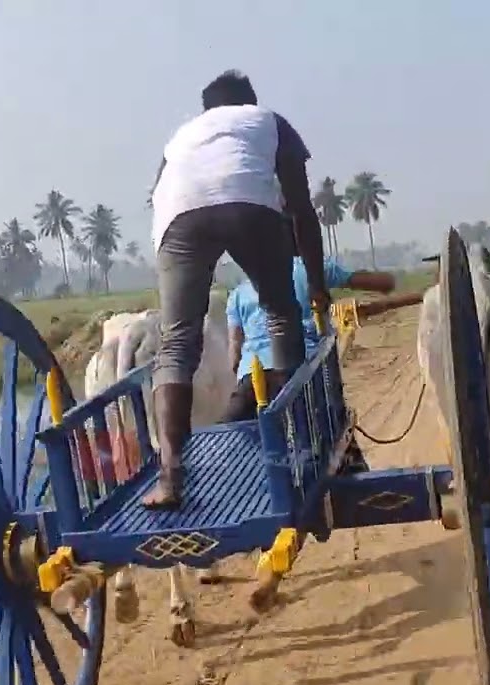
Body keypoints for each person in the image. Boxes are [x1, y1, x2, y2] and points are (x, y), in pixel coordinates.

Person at [145, 70, 329, 509]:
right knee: (282, 314)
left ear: (208, 109)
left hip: (178, 215)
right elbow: (301, 211)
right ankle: (297, 444)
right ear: (250, 101)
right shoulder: (268, 121)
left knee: (176, 345)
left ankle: (170, 478)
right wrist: (317, 285)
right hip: (250, 206)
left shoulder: (183, 137)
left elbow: (157, 195)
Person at [223, 258, 425, 472]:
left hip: (251, 382)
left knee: (233, 436)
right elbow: (371, 282)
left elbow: (234, 354)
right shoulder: (310, 269)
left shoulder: (238, 293)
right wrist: (390, 282)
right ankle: (353, 468)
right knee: (332, 434)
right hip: (304, 374)